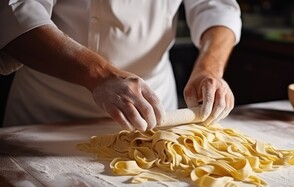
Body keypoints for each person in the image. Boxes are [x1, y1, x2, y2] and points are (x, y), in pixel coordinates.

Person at [0, 0, 241, 131]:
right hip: (49, 111)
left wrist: (209, 69)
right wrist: (100, 75)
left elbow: (216, 6)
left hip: (155, 112)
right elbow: (13, 11)